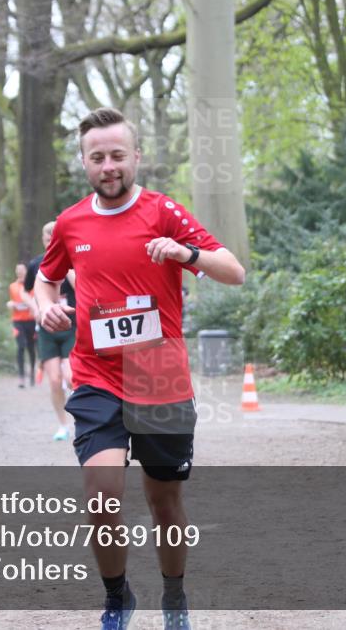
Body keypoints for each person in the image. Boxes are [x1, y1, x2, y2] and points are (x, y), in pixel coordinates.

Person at [35, 108, 245, 630]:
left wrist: (185, 253)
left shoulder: (164, 211)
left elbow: (234, 271)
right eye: (97, 157)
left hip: (160, 376)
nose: (108, 166)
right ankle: (117, 599)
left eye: (117, 155)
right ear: (84, 162)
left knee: (164, 501)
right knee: (102, 495)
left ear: (136, 157)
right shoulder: (70, 223)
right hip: (97, 375)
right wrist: (45, 306)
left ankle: (174, 598)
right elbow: (47, 279)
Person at [24, 220, 76, 440]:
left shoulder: (75, 260)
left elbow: (82, 286)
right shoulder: (36, 264)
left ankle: (82, 419)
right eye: (47, 240)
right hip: (47, 328)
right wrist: (36, 307)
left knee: (71, 377)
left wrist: (69, 268)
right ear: (43, 241)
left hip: (72, 326)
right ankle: (63, 425)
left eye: (54, 239)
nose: (50, 243)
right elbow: (25, 291)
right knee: (54, 380)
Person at [7, 262, 36, 388]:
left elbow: (36, 300)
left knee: (31, 347)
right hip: (17, 321)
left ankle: (32, 372)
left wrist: (33, 306)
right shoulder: (12, 286)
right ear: (16, 272)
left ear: (26, 271)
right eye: (17, 270)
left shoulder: (31, 285)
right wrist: (11, 304)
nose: (20, 272)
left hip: (31, 320)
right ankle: (21, 377)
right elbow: (11, 301)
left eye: (22, 269)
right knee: (20, 346)